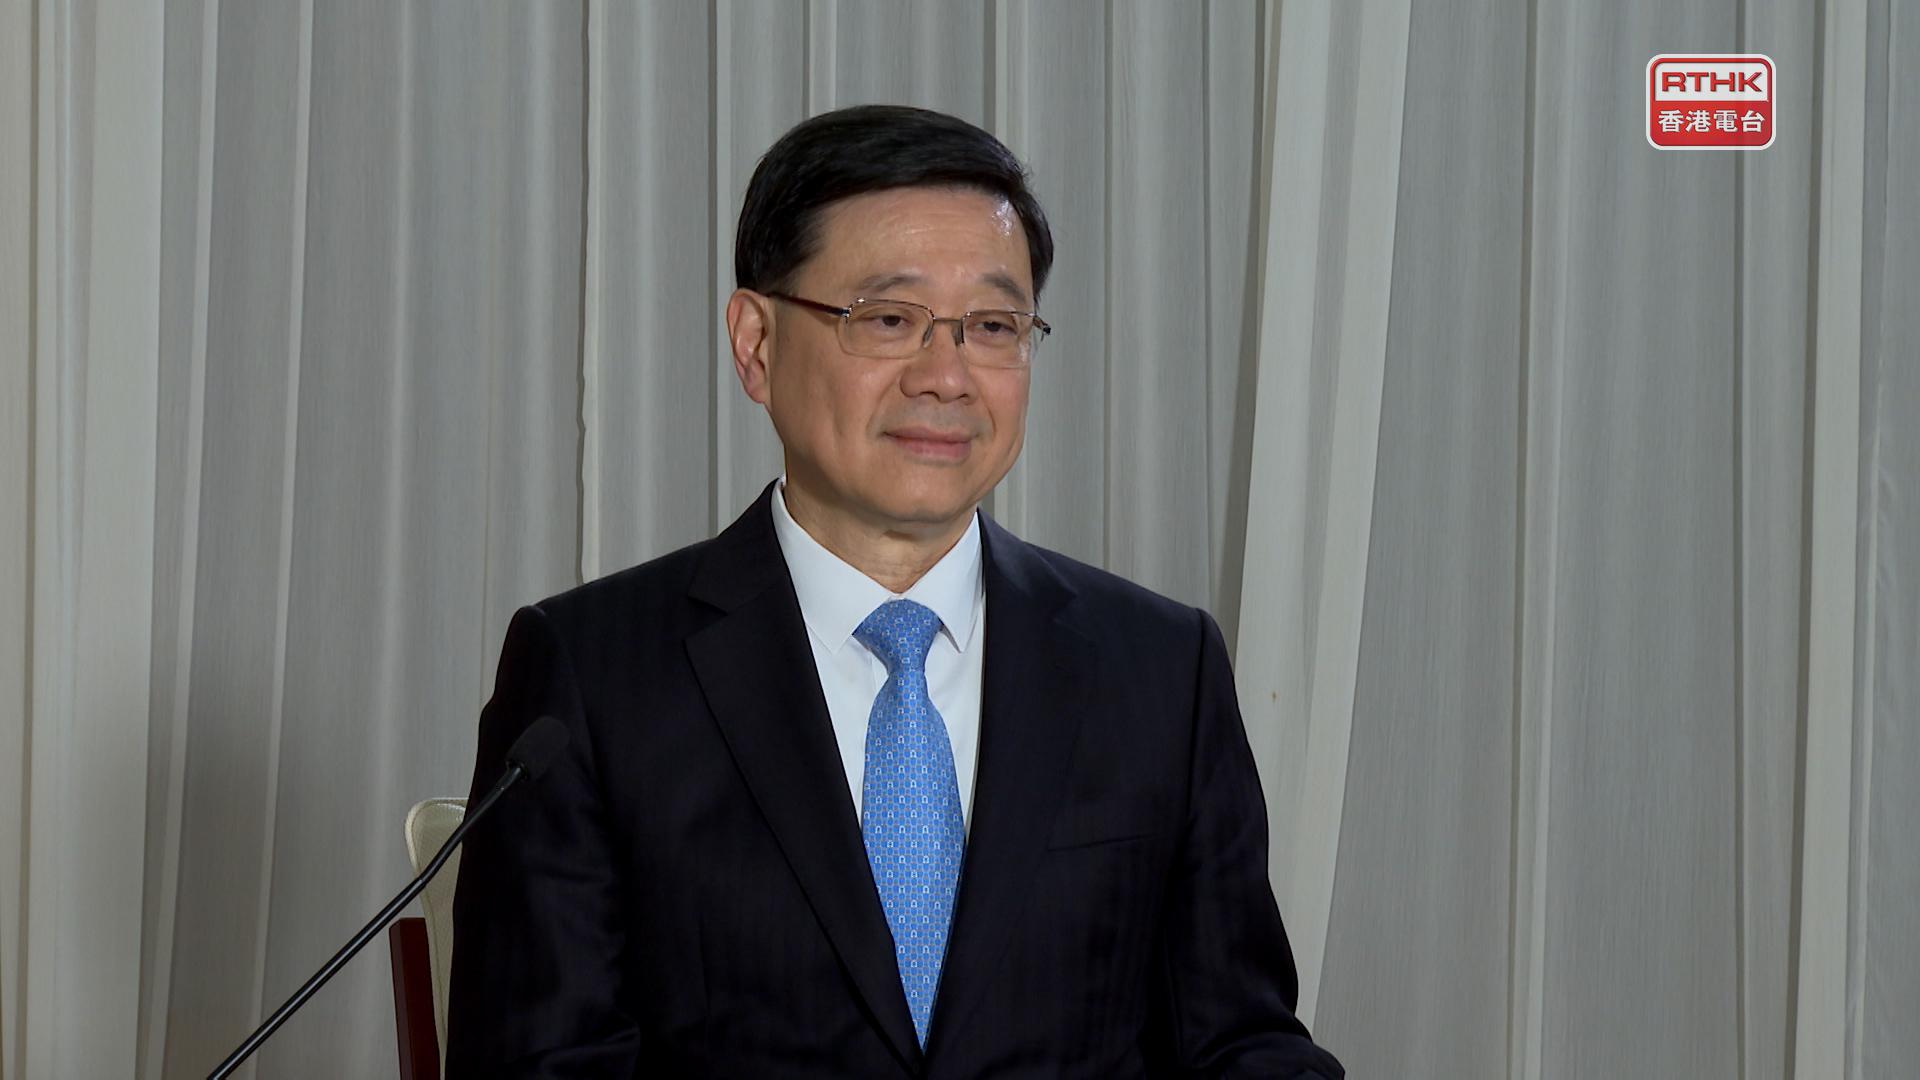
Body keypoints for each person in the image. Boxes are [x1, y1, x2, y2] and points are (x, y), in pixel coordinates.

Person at [446, 104, 1343, 1079]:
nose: (947, 377)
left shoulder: (1162, 670)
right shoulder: (592, 678)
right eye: (888, 319)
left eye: (992, 326)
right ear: (755, 344)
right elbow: (538, 1062)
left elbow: (1239, 1042)